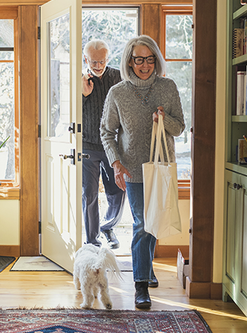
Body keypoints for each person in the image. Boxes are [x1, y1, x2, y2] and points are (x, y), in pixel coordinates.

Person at [100, 35, 185, 309]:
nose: (145, 65)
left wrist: (164, 118)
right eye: (139, 59)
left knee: (154, 222)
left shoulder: (168, 87)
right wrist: (115, 162)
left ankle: (146, 270)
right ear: (129, 61)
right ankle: (141, 285)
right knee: (141, 224)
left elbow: (179, 127)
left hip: (161, 166)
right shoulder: (118, 93)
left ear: (156, 61)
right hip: (133, 169)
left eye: (150, 59)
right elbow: (107, 132)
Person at [81, 39, 126, 249]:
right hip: (87, 145)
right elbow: (69, 114)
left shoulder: (118, 77)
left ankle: (107, 227)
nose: (97, 66)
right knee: (89, 193)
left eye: (101, 61)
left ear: (108, 59)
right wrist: (83, 95)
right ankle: (92, 240)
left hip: (113, 145)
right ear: (85, 59)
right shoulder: (79, 79)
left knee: (118, 191)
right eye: (93, 61)